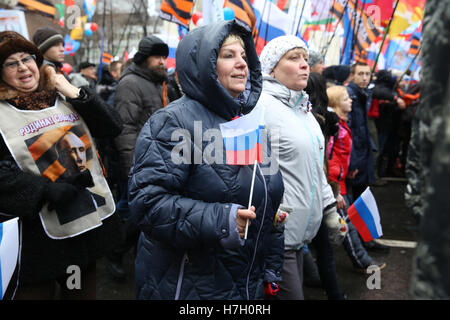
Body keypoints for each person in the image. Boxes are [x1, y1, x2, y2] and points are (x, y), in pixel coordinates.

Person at [127, 20, 285, 300]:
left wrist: (270, 249)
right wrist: (222, 220)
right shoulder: (173, 121)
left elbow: (263, 196)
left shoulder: (249, 123)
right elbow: (147, 204)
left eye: (244, 56)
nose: (242, 64)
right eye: (228, 56)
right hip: (189, 287)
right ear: (202, 65)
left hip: (245, 286)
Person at [0, 31, 123, 299]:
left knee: (78, 291)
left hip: (82, 234)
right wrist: (42, 189)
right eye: (11, 63)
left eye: (27, 58)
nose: (23, 68)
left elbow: (112, 127)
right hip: (34, 242)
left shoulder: (62, 96)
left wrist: (77, 93)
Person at [255, 35, 347, 300]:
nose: (304, 65)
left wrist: (329, 210)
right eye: (294, 58)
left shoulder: (303, 110)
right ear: (271, 68)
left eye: (305, 59)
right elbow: (250, 172)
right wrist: (270, 213)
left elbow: (317, 171)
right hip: (276, 237)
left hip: (300, 237)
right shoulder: (262, 109)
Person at [107, 35, 171, 279]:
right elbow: (125, 128)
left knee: (139, 211)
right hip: (138, 162)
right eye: (157, 57)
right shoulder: (131, 83)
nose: (162, 61)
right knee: (133, 212)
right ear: (144, 59)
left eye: (164, 57)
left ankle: (129, 251)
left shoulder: (157, 82)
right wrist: (131, 167)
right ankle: (114, 251)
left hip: (157, 160)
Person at [327, 85, 387, 273]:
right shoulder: (333, 126)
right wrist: (336, 182)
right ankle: (363, 263)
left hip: (340, 181)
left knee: (342, 225)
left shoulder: (342, 122)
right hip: (335, 184)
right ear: (336, 104)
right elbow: (328, 158)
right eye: (345, 98)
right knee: (346, 227)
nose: (350, 100)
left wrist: (348, 170)